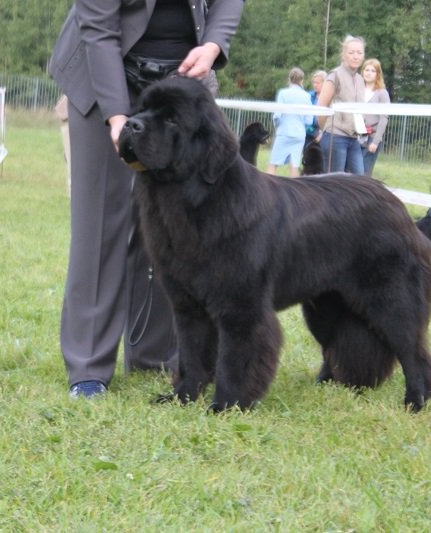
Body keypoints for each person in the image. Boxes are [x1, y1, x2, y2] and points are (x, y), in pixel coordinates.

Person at [49, 0, 245, 398]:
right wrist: (117, 116)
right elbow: (99, 29)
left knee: (169, 222)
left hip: (177, 79)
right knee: (100, 222)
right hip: (101, 69)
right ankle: (88, 366)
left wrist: (212, 45)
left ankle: (154, 354)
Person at [317, 35, 366, 174]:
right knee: (334, 181)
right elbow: (321, 108)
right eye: (351, 52)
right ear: (344, 55)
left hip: (354, 138)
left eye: (359, 53)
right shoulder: (334, 76)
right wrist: (327, 129)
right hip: (335, 137)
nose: (355, 56)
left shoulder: (360, 80)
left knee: (359, 179)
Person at [267, 67, 313, 177]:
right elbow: (309, 120)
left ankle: (267, 185)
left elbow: (277, 115)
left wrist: (277, 126)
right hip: (299, 134)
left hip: (284, 132)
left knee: (273, 164)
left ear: (289, 79)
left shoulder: (283, 93)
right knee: (294, 165)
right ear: (302, 80)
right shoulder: (306, 96)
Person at [360, 58, 390, 176]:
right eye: (366, 70)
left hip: (371, 137)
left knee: (365, 173)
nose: (368, 73)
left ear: (378, 74)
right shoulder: (358, 90)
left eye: (372, 71)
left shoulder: (382, 93)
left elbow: (384, 118)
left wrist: (376, 141)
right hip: (356, 136)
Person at [305, 69, 326, 144]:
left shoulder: (330, 98)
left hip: (325, 134)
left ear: (325, 83)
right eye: (314, 82)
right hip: (309, 133)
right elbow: (304, 117)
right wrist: (314, 133)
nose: (315, 85)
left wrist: (322, 133)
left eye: (317, 83)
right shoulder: (308, 96)